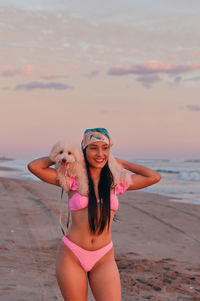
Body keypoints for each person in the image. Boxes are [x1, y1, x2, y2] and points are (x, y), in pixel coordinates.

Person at [27, 128, 161, 301]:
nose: (100, 153)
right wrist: (60, 153)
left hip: (104, 257)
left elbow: (153, 177)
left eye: (105, 148)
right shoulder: (71, 179)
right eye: (93, 148)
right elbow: (34, 167)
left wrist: (118, 162)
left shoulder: (115, 181)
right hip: (72, 255)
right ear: (83, 150)